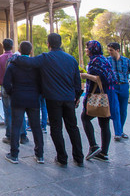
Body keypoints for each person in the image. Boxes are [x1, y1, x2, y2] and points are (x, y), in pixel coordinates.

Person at [12, 33, 84, 167]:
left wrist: (15, 58)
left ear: (48, 44)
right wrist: (77, 97)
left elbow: (28, 61)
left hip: (53, 99)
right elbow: (77, 82)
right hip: (69, 99)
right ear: (61, 43)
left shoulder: (46, 57)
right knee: (73, 127)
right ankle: (79, 157)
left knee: (56, 128)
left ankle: (62, 158)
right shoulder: (71, 59)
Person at [3, 41, 44, 164]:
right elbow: (42, 82)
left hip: (18, 98)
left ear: (19, 51)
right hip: (33, 99)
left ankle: (14, 155)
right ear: (31, 51)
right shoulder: (36, 65)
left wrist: (12, 92)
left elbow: (6, 83)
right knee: (36, 127)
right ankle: (40, 155)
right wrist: (38, 93)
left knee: (16, 126)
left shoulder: (13, 64)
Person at [81, 41, 120, 163]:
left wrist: (85, 75)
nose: (86, 50)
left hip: (98, 95)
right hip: (107, 96)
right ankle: (104, 153)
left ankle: (93, 146)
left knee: (85, 118)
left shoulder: (95, 61)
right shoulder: (103, 59)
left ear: (93, 49)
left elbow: (99, 78)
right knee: (104, 123)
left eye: (87, 48)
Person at [0, 38, 28, 145]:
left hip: (4, 87)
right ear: (12, 47)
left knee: (8, 112)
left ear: (3, 47)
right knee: (20, 112)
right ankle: (23, 136)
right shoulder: (17, 57)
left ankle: (9, 136)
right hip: (17, 88)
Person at [107, 42, 130, 141]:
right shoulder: (107, 61)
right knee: (115, 109)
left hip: (124, 87)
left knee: (123, 110)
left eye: (111, 50)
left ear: (117, 50)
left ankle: (121, 130)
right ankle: (117, 133)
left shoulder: (126, 61)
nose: (109, 52)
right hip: (113, 87)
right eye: (109, 50)